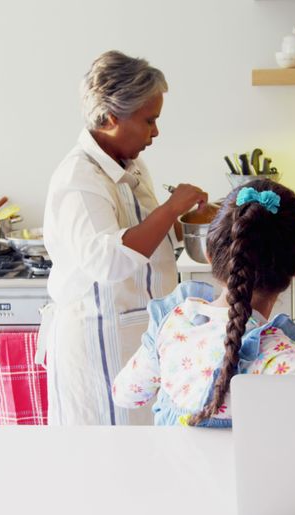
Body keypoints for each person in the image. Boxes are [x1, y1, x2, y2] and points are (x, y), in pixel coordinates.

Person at [39, 51, 208, 425]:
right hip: (98, 342)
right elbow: (108, 260)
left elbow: (148, 234)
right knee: (106, 461)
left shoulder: (130, 165)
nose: (156, 132)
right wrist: (169, 208)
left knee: (147, 456)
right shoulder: (78, 179)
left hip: (137, 339)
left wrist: (185, 219)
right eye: (149, 120)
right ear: (113, 116)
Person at [112, 181, 295, 427]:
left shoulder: (174, 325)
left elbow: (125, 394)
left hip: (169, 467)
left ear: (209, 256)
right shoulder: (289, 362)